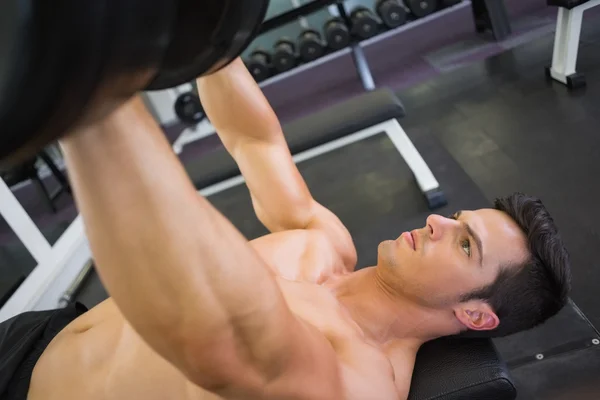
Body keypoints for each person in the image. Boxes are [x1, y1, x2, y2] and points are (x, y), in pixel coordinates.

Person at [0, 58, 571, 400]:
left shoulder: (358, 381)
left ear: (475, 314)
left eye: (464, 242)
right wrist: (211, 47)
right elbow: (256, 142)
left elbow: (213, 328)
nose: (437, 221)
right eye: (457, 217)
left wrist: (84, 89)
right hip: (33, 334)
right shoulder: (326, 245)